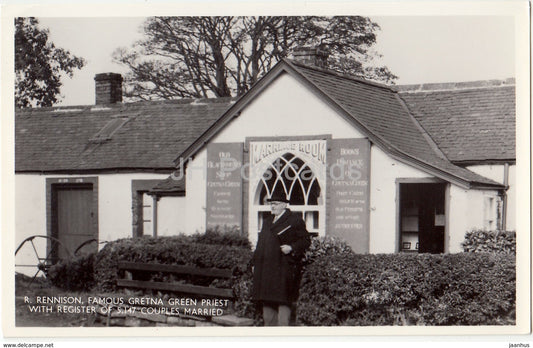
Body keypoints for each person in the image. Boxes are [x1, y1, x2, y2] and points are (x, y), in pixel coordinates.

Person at [251, 192, 311, 326]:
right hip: (266, 269)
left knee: (283, 300)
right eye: (271, 204)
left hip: (283, 268)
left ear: (284, 205)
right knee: (267, 302)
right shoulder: (267, 221)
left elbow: (306, 240)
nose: (273, 206)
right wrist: (254, 262)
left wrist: (291, 247)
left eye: (276, 204)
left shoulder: (294, 220)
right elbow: (260, 244)